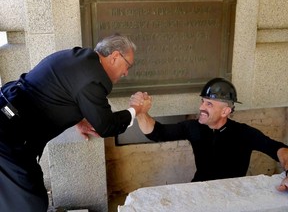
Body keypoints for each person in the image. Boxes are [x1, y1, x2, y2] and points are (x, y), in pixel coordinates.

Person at [0, 33, 147, 212]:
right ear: (115, 56)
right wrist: (136, 110)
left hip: (8, 121)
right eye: (128, 65)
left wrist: (78, 118)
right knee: (30, 203)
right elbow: (106, 125)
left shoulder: (80, 59)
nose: (126, 72)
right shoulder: (93, 77)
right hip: (7, 137)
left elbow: (58, 92)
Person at [131, 77, 288, 191]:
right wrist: (140, 113)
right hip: (199, 188)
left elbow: (278, 149)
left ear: (225, 111)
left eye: (209, 104)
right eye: (202, 101)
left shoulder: (244, 133)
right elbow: (157, 133)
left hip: (231, 193)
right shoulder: (193, 127)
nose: (201, 107)